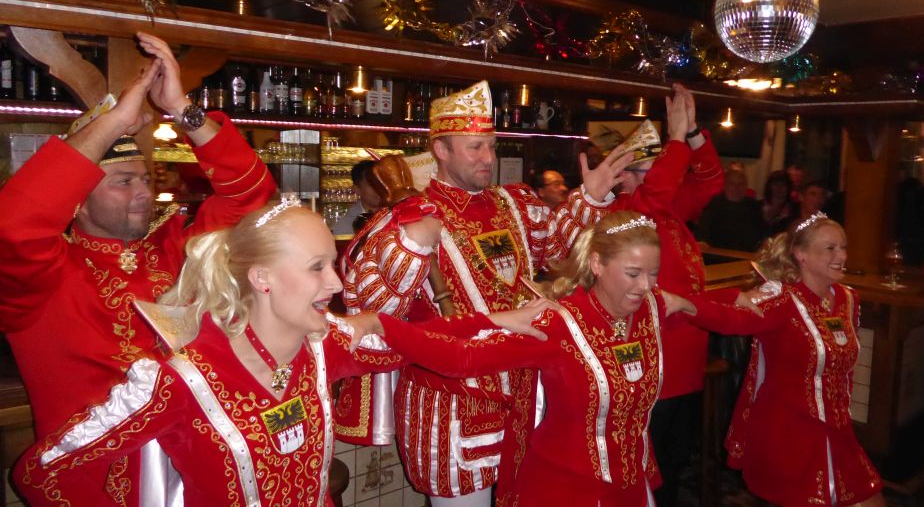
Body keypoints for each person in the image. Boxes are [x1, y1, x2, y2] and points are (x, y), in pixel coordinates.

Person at [14, 199, 549, 505]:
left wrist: (498, 320)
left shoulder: (322, 348)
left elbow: (414, 342)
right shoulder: (181, 379)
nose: (336, 283)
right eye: (317, 267)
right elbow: (43, 473)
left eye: (332, 264)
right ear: (261, 278)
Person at [0, 33, 275, 506]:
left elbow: (251, 197)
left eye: (145, 179)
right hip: (95, 484)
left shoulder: (175, 249)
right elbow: (12, 226)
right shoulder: (45, 274)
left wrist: (182, 109)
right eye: (123, 182)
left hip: (196, 468)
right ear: (77, 199)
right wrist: (115, 122)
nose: (143, 192)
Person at [338, 80, 634, 506]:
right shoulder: (408, 218)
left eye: (491, 147)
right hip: (451, 406)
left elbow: (558, 252)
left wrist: (590, 197)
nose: (488, 158)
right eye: (475, 147)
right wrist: (414, 243)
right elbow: (373, 308)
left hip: (525, 396)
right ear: (440, 149)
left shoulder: (514, 203)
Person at [354, 211, 741, 506]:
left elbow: (719, 311)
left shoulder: (651, 307)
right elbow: (461, 358)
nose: (646, 285)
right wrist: (383, 326)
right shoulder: (559, 324)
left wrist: (735, 300)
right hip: (564, 490)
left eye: (653, 273)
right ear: (597, 265)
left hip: (633, 487)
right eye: (633, 273)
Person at [682, 212, 886, 507]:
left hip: (837, 431)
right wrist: (695, 300)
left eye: (843, 247)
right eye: (830, 248)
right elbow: (726, 319)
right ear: (801, 255)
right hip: (790, 433)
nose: (841, 256)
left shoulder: (848, 299)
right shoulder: (783, 300)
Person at [603, 85, 726, 507]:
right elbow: (654, 195)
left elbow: (710, 182)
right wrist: (674, 141)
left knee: (672, 465)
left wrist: (691, 134)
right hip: (651, 366)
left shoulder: (669, 209)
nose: (664, 174)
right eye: (650, 167)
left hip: (687, 359)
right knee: (646, 471)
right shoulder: (622, 214)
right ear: (625, 175)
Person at [697, 167, 768, 252]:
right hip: (718, 255)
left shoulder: (753, 206)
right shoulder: (714, 205)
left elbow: (762, 232)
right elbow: (702, 231)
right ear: (725, 186)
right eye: (732, 184)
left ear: (746, 186)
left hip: (747, 255)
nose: (736, 187)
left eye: (741, 184)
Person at [332, 159, 382, 236]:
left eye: (381, 182)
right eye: (372, 184)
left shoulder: (396, 215)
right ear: (357, 189)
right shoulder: (346, 224)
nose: (379, 188)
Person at [760, 169, 796, 235]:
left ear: (788, 188)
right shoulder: (757, 207)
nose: (779, 188)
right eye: (776, 184)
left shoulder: (793, 212)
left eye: (783, 185)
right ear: (769, 186)